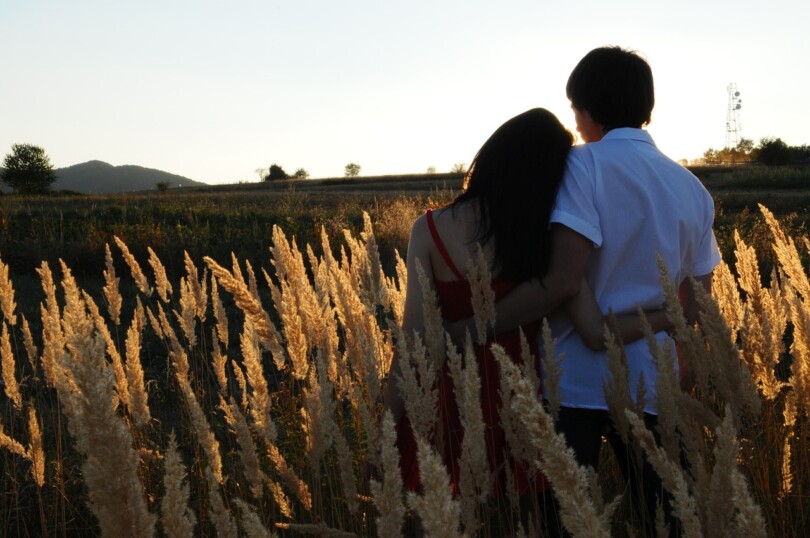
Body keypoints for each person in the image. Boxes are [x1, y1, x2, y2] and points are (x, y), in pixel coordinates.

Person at [448, 47, 722, 537]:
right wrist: (645, 323)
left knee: (564, 522)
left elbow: (562, 280)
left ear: (585, 109)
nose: (575, 125)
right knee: (666, 520)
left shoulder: (582, 166)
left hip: (573, 380)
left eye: (574, 110)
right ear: (647, 107)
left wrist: (472, 328)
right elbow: (694, 306)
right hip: (654, 383)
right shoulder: (693, 190)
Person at [383, 107, 673, 535]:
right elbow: (589, 322)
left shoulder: (429, 230)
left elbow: (414, 343)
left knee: (438, 520)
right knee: (530, 525)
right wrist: (673, 315)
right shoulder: (547, 239)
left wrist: (386, 426)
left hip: (443, 402)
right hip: (525, 399)